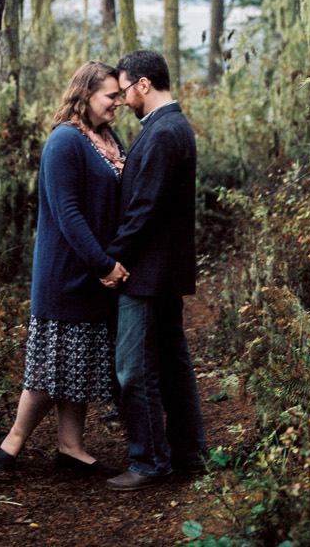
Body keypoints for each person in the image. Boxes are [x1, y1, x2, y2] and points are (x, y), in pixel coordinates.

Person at [0, 61, 130, 476]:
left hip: (92, 273)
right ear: (86, 94)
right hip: (66, 274)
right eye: (111, 95)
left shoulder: (106, 138)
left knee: (81, 363)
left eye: (121, 95)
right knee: (52, 367)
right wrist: (103, 263)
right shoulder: (64, 143)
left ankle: (70, 447)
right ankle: (11, 444)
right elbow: (68, 214)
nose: (118, 103)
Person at [101, 49, 207, 490]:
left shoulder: (164, 132)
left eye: (125, 90)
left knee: (134, 368)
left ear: (144, 84)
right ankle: (188, 452)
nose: (122, 100)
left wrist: (114, 259)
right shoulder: (168, 128)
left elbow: (146, 208)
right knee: (172, 363)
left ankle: (149, 462)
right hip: (163, 271)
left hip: (147, 273)